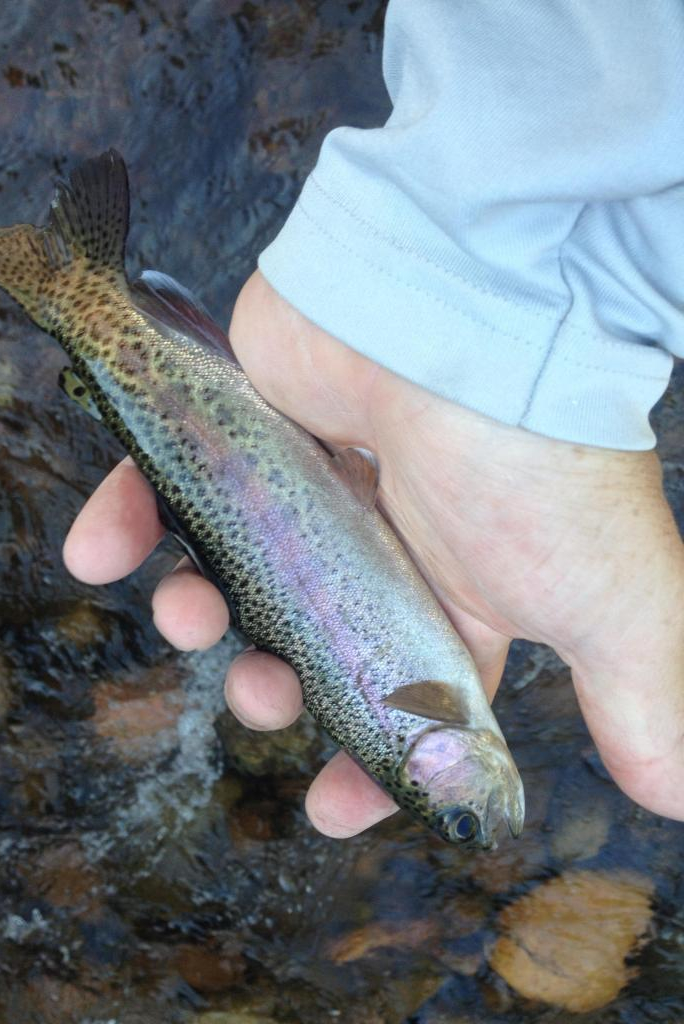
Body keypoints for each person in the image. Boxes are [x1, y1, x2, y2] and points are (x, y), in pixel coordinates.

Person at [63, 1, 684, 838]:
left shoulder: (428, 712)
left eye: (459, 816)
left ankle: (86, 303)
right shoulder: (438, 712)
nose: (481, 817)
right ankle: (85, 305)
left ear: (433, 768)